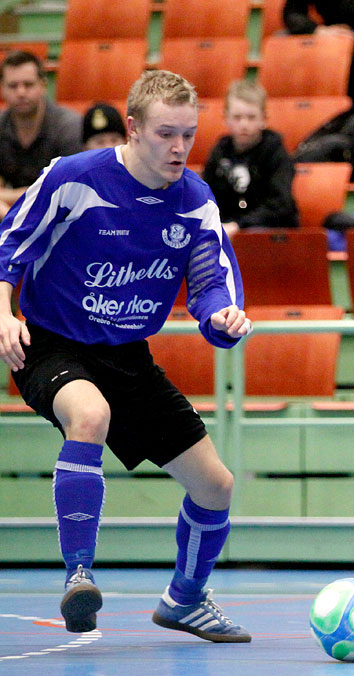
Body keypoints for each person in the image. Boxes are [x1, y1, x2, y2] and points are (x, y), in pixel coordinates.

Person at [0, 69, 253, 642]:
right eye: (166, 133)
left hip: (128, 356)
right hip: (51, 344)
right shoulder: (75, 178)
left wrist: (222, 317)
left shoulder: (195, 200)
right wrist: (2, 315)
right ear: (133, 128)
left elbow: (213, 283)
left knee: (216, 486)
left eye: (188, 133)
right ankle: (79, 576)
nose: (180, 147)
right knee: (90, 416)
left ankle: (184, 600)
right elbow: (8, 246)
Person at [202, 80, 298, 239]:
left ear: (264, 119)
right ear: (226, 118)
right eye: (237, 117)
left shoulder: (275, 151)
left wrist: (240, 225)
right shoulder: (220, 151)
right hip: (226, 227)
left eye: (251, 117)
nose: (244, 124)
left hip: (269, 231)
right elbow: (207, 198)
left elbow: (281, 205)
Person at [0, 50, 82, 216]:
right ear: (2, 88)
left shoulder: (68, 126)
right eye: (13, 86)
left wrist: (7, 199)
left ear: (43, 85)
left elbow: (66, 190)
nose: (21, 92)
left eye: (28, 84)